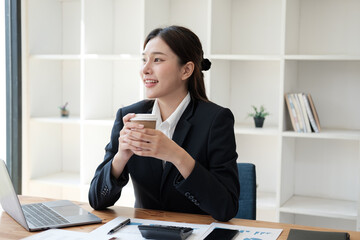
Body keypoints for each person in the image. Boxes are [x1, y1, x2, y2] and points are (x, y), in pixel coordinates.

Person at [88, 25, 240, 222]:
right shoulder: (130, 116)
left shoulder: (216, 120)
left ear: (186, 70)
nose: (145, 69)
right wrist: (121, 156)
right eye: (144, 60)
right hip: (144, 233)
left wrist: (177, 156)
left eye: (157, 59)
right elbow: (96, 200)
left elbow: (226, 208)